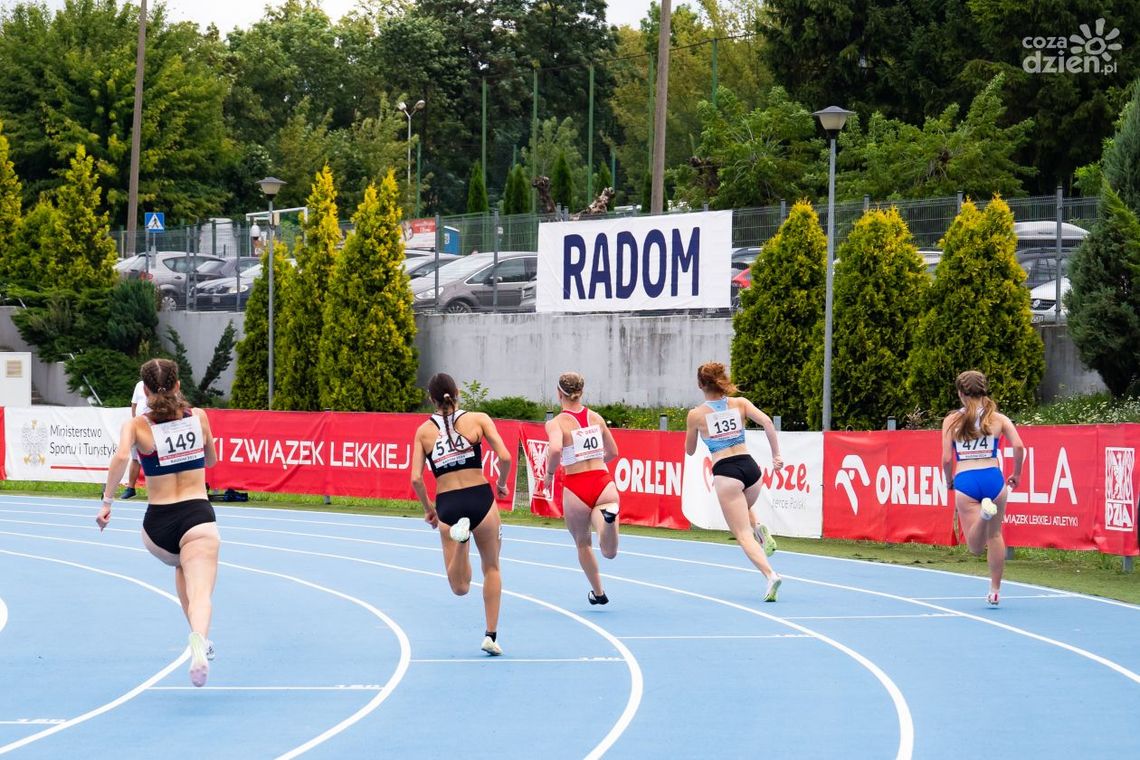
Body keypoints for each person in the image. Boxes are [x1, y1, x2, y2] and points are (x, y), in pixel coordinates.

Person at [96, 358, 220, 686]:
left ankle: (197, 637)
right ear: (179, 385)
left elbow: (122, 458)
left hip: (158, 527)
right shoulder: (200, 417)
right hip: (197, 518)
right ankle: (199, 640)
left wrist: (107, 503)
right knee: (201, 590)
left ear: (145, 390)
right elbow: (211, 460)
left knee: (181, 565)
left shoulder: (137, 426)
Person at [410, 373, 513, 656]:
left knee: (460, 587)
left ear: (431, 399)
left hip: (448, 504)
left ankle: (462, 539)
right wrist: (502, 484)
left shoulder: (423, 432)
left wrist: (429, 510)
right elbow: (505, 457)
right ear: (457, 393)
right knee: (492, 567)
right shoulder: (478, 419)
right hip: (480, 497)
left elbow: (416, 479)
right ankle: (491, 635)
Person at [684, 362, 783, 602]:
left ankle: (770, 575)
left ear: (700, 385)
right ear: (723, 380)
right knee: (743, 508)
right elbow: (768, 422)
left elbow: (690, 450)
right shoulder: (740, 404)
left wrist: (700, 431)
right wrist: (776, 455)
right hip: (751, 470)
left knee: (741, 534)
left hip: (726, 472)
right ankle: (758, 526)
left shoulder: (696, 415)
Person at [941, 370, 1024, 606]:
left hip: (966, 478)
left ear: (960, 393)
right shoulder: (999, 419)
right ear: (984, 391)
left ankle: (985, 514)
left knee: (975, 547)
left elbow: (947, 459)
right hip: (993, 478)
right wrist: (1017, 474)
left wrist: (949, 481)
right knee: (995, 535)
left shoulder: (951, 420)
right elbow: (1019, 447)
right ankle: (995, 590)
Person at [543, 372, 620, 606]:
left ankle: (598, 592)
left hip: (576, 486)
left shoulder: (555, 423)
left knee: (583, 543)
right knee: (609, 551)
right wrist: (596, 463)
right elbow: (614, 452)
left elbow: (555, 450)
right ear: (581, 392)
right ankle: (607, 522)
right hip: (602, 482)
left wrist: (549, 474)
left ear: (559, 393)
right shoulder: (597, 418)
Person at [120, 379, 150, 499]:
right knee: (135, 458)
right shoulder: (139, 384)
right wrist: (134, 420)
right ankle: (131, 488)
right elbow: (134, 405)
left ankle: (153, 489)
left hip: (152, 425)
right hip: (138, 425)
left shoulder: (160, 385)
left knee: (152, 459)